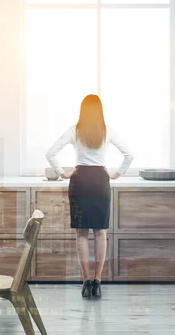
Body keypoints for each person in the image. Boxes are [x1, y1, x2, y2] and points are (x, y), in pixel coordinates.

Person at [46, 94, 133, 298]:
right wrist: (115, 174)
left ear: (82, 111)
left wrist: (63, 173)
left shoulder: (74, 131)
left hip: (80, 181)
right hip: (100, 181)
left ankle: (86, 282)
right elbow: (129, 155)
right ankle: (98, 281)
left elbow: (50, 153)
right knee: (100, 232)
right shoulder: (107, 131)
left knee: (82, 233)